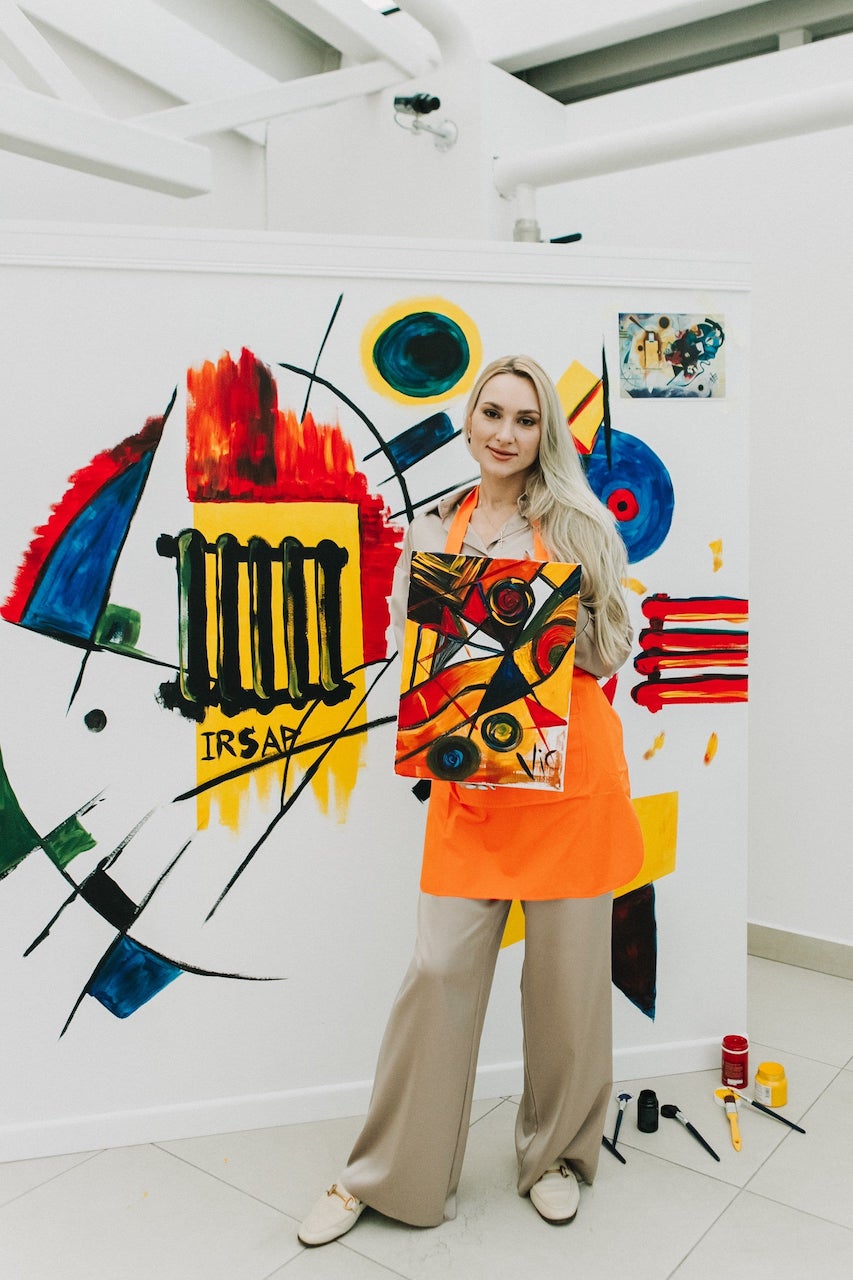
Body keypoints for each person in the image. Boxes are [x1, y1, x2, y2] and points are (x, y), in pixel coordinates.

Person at [298, 355, 644, 1246]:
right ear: (469, 420)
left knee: (566, 991)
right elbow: (415, 648)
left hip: (568, 790)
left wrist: (561, 612)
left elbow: (611, 653)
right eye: (492, 413)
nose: (504, 433)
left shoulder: (579, 524)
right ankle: (387, 1176)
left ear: (544, 433)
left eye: (525, 420)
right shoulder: (432, 527)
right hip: (473, 786)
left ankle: (557, 1159)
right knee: (438, 977)